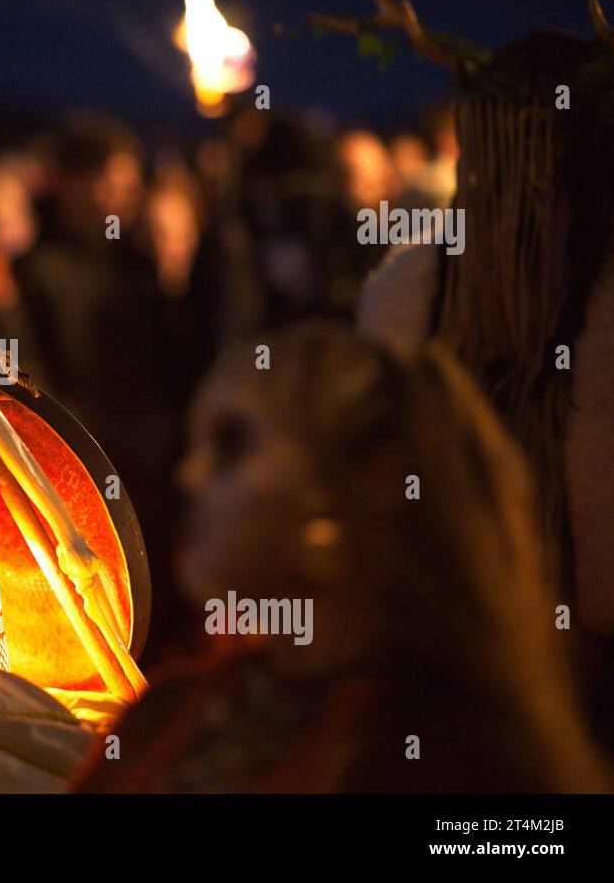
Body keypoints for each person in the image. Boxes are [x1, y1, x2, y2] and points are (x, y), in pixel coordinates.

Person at [74, 323, 608, 792]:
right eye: (197, 445)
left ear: (372, 478)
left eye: (232, 443)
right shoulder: (180, 705)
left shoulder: (450, 760)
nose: (188, 476)